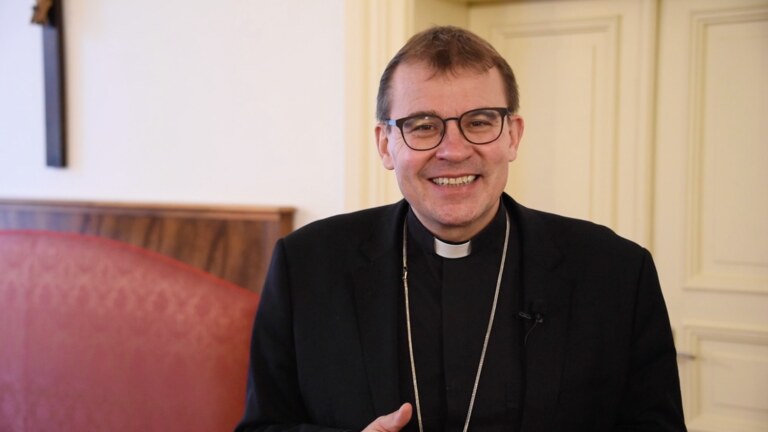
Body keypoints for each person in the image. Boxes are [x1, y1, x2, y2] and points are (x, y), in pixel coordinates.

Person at [235, 26, 686, 432]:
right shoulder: (306, 266)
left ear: (513, 136)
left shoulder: (616, 273)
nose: (453, 151)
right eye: (423, 126)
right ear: (385, 144)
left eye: (480, 122)